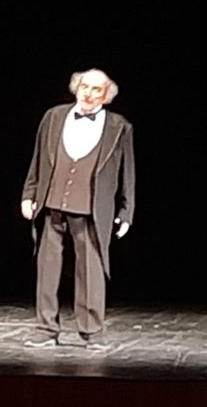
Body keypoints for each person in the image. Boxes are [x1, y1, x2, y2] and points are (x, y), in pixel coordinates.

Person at [20, 68, 134, 350]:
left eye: (96, 89)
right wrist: (28, 194)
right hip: (51, 203)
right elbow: (37, 160)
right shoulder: (53, 116)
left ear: (106, 96)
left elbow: (127, 172)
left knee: (91, 272)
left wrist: (126, 211)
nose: (89, 93)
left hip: (90, 209)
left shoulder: (119, 126)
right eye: (84, 87)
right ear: (76, 88)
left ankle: (92, 332)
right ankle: (46, 329)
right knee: (47, 270)